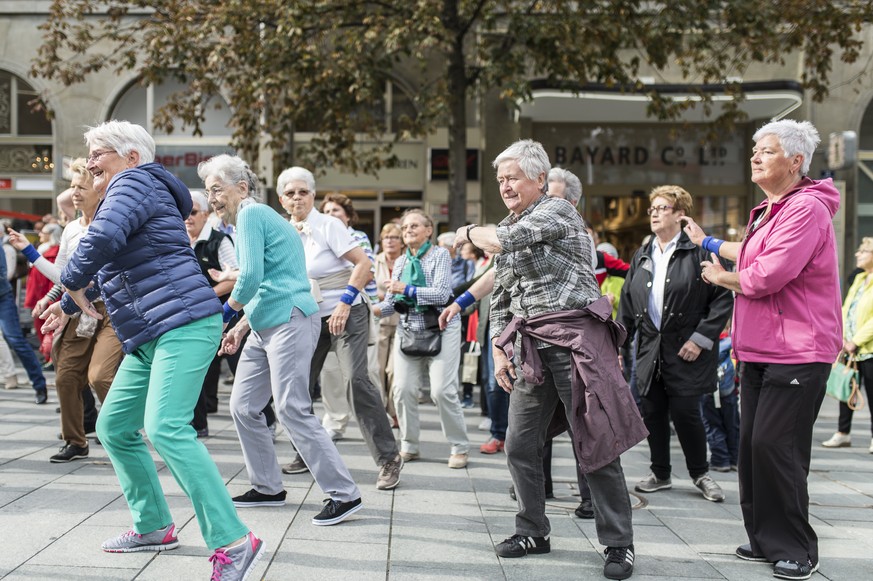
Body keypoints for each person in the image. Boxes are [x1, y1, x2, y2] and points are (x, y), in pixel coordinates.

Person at [45, 121, 263, 581]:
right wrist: (67, 304)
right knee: (116, 426)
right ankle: (154, 526)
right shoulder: (129, 193)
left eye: (99, 152)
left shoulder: (135, 181)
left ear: (131, 156)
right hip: (148, 332)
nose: (90, 161)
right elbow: (105, 265)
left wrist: (68, 283)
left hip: (183, 323)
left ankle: (234, 540)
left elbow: (98, 244)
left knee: (165, 427)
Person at [454, 139, 646, 581]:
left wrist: (464, 232)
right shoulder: (511, 221)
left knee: (594, 444)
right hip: (531, 346)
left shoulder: (556, 210)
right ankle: (532, 530)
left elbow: (501, 242)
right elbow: (501, 294)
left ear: (539, 179)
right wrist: (501, 350)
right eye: (500, 179)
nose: (504, 185)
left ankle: (618, 544)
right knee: (521, 443)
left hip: (576, 340)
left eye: (513, 177)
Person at [685, 119, 841, 581]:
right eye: (754, 148)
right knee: (754, 447)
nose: (754, 155)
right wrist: (706, 241)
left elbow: (767, 274)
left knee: (779, 448)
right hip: (759, 349)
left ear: (795, 161)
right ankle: (764, 540)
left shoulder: (806, 209)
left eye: (766, 150)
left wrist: (718, 277)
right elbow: (750, 251)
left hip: (799, 349)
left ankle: (796, 549)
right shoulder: (770, 209)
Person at [197, 154, 365, 524]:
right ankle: (267, 487)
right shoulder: (248, 220)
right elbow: (267, 279)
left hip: (290, 317)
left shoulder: (253, 215)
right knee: (242, 406)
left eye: (217, 189)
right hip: (265, 322)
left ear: (241, 188)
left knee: (291, 407)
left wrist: (226, 315)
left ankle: (345, 493)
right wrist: (241, 328)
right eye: (209, 191)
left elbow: (253, 277)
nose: (212, 198)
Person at [277, 166, 403, 489]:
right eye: (290, 193)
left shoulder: (329, 225)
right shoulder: (283, 232)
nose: (297, 198)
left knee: (355, 380)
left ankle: (389, 458)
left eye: (303, 192)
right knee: (296, 385)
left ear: (313, 195)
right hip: (308, 315)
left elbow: (364, 265)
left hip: (347, 312)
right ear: (281, 200)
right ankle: (305, 453)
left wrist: (346, 303)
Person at [617, 185, 732, 504]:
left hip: (687, 348)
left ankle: (700, 473)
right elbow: (628, 302)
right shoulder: (643, 252)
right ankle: (661, 473)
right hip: (650, 348)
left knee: (686, 413)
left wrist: (701, 338)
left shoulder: (699, 251)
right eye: (652, 208)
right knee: (652, 411)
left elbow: (723, 298)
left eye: (662, 208)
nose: (653, 212)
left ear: (681, 215)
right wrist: (616, 343)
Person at [8, 158, 125, 463]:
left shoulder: (110, 223)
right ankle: (76, 441)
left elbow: (103, 275)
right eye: (72, 186)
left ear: (99, 191)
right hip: (77, 310)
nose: (74, 193)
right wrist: (32, 257)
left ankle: (121, 432)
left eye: (81, 186)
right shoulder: (72, 229)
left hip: (110, 308)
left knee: (100, 376)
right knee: (66, 377)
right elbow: (64, 276)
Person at [373, 209, 471, 468]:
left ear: (429, 230)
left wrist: (407, 289)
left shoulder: (440, 255)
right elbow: (392, 303)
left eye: (415, 226)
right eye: (405, 228)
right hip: (409, 328)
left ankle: (459, 447)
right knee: (402, 389)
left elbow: (440, 295)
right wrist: (371, 309)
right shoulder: (402, 262)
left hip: (442, 326)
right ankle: (409, 445)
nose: (408, 231)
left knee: (441, 391)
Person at [317, 193, 382, 441]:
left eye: (336, 211)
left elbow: (368, 272)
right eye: (327, 211)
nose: (331, 215)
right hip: (324, 312)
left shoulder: (358, 238)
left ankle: (378, 417)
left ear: (347, 216)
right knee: (330, 371)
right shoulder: (317, 236)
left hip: (356, 310)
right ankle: (335, 420)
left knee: (365, 372)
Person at [185, 189, 238, 437]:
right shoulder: (179, 241)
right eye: (183, 212)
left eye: (193, 212)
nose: (187, 217)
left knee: (237, 364)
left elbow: (236, 277)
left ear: (205, 215)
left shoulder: (220, 241)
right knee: (194, 369)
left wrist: (207, 295)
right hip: (191, 317)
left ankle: (267, 419)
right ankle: (198, 424)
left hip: (226, 313)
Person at [821, 237, 873, 452]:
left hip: (867, 349)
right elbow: (845, 309)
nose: (857, 254)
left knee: (871, 394)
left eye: (864, 251)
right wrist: (840, 337)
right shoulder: (859, 279)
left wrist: (856, 341)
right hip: (849, 346)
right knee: (847, 389)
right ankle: (843, 433)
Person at [0, 231, 48, 403]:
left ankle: (39, 385)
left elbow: (3, 274)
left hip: (2, 297)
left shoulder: (3, 247)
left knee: (15, 340)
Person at [374, 222, 403, 427]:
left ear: (401, 242)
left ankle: (394, 412)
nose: (390, 241)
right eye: (386, 238)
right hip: (378, 323)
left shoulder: (407, 262)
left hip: (402, 322)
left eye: (394, 238)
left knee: (394, 371)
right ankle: (379, 411)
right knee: (377, 370)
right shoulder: (374, 262)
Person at [700, 327, 740, 472]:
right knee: (733, 424)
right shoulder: (732, 342)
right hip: (729, 391)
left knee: (712, 425)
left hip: (709, 391)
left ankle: (720, 459)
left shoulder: (704, 341)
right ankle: (735, 459)